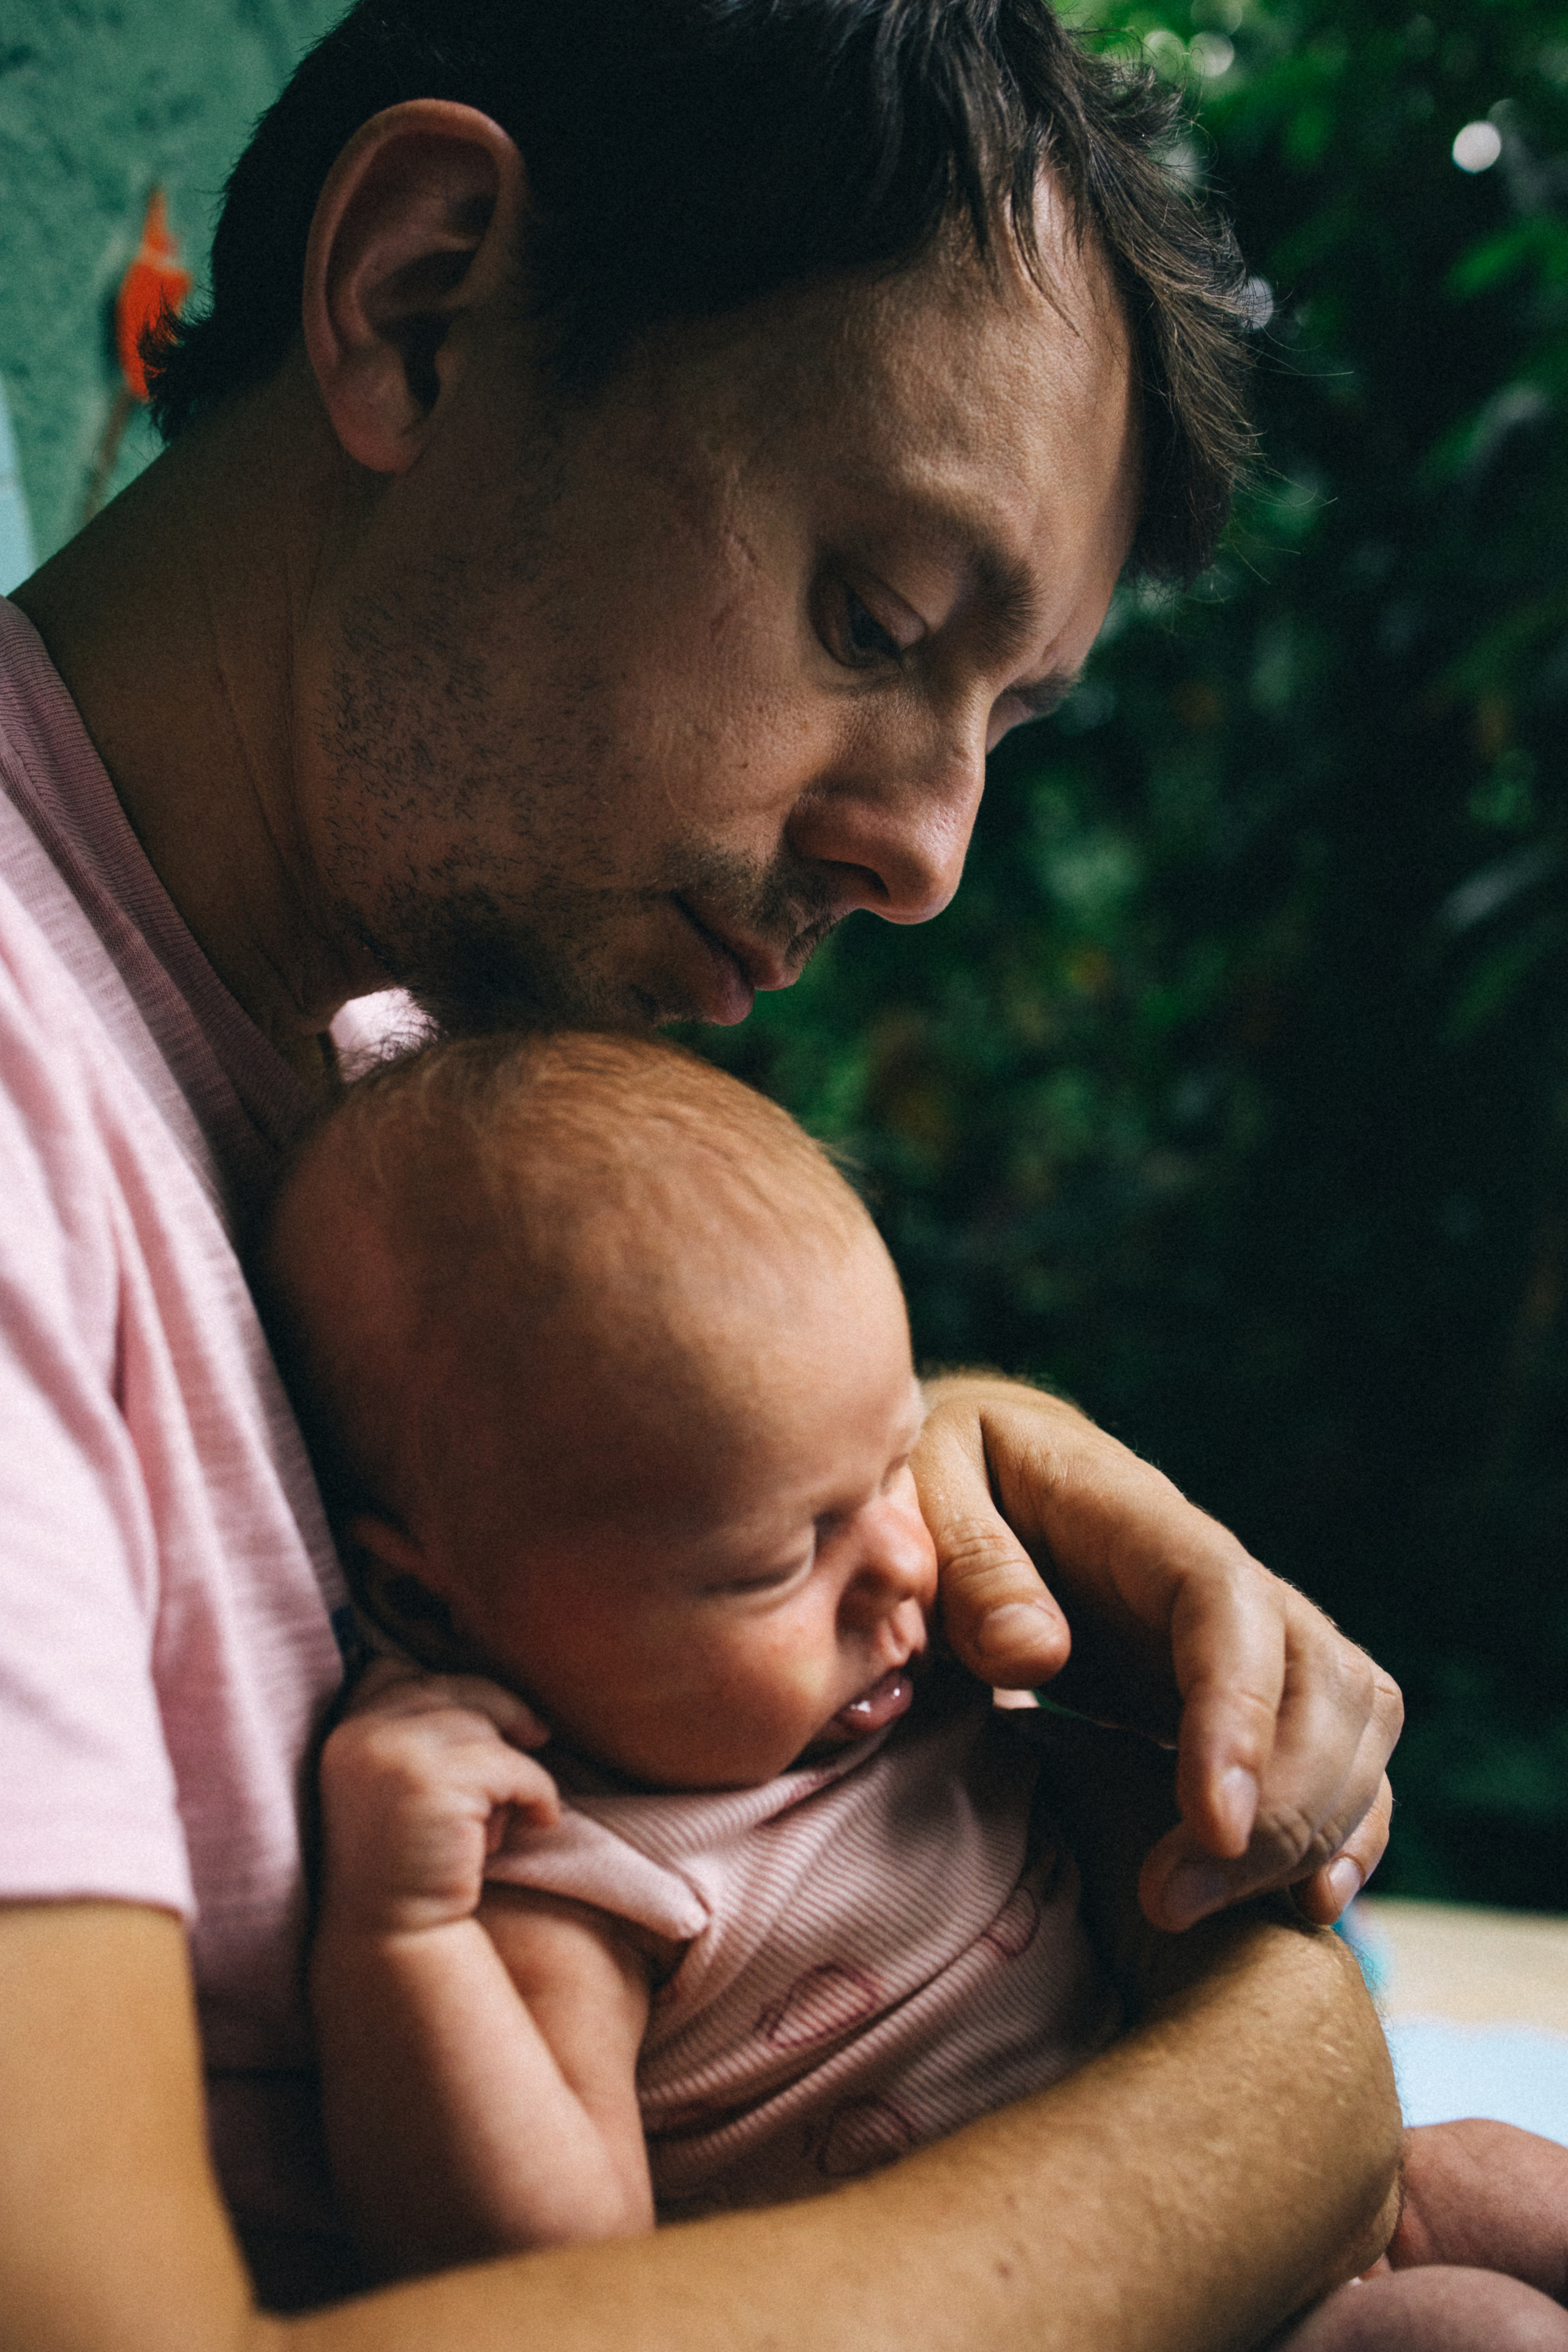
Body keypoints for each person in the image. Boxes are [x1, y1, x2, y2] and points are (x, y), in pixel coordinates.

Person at [0, 2, 1405, 2347]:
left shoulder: (397, 1076)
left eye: (1000, 721)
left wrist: (886, 1466)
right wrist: (1278, 2077)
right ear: (425, 306)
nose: (933, 852)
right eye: (875, 619)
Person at [273, 1033, 1568, 2352]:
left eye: (895, 1459)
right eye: (781, 1558)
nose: (901, 1560)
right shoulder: (578, 1870)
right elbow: (540, 2274)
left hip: (1256, 2200)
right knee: (1477, 2338)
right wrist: (403, 1923)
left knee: (1517, 2187)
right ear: (436, 1606)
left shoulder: (907, 1658)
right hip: (1040, 2315)